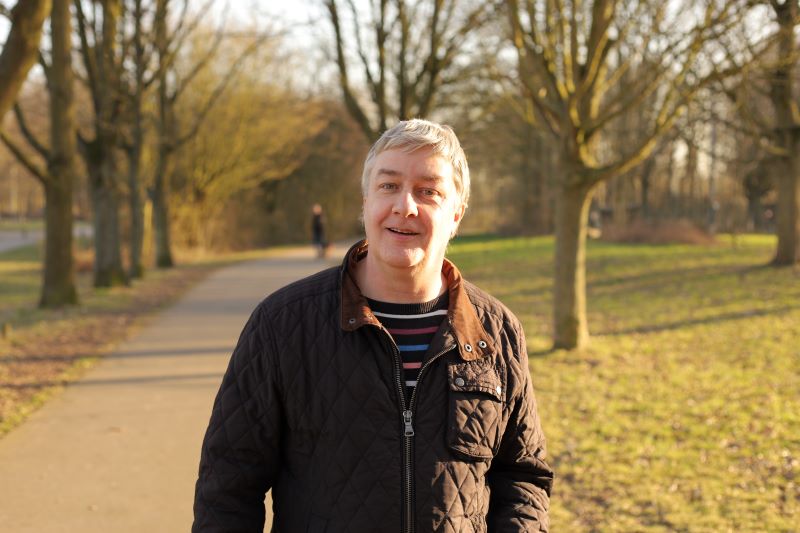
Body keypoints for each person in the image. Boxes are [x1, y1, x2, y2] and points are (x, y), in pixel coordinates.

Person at [192, 119, 553, 532]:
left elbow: (523, 478)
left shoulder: (498, 333)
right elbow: (227, 487)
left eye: (428, 191)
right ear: (365, 202)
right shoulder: (281, 325)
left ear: (456, 214)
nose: (405, 206)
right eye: (389, 186)